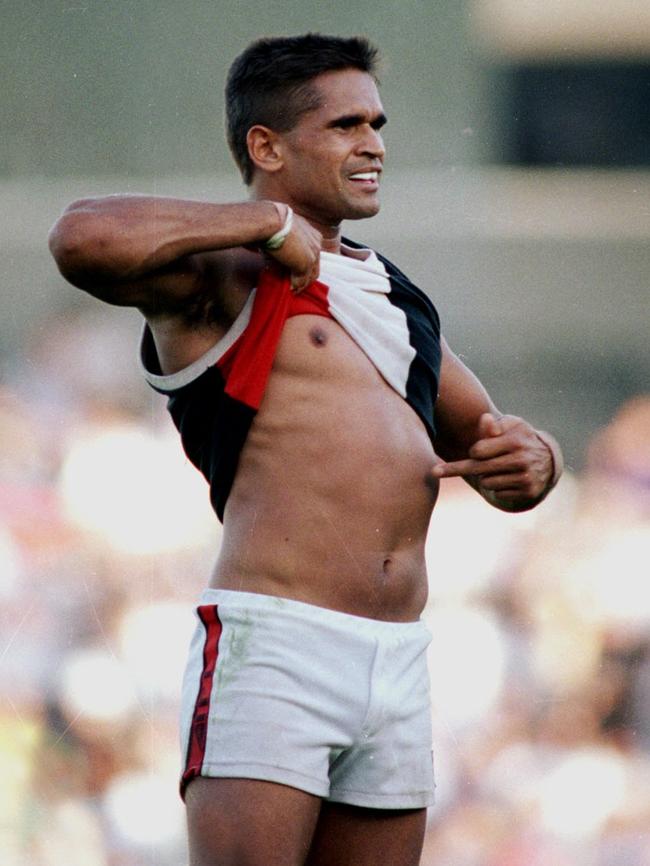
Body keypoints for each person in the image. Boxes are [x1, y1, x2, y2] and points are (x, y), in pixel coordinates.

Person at [48, 33, 562, 866]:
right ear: (267, 146)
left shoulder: (392, 295)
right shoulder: (225, 273)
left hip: (400, 655)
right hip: (276, 644)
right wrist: (269, 222)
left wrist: (540, 461)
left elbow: (503, 451)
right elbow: (80, 237)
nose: (375, 145)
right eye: (347, 125)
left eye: (378, 123)